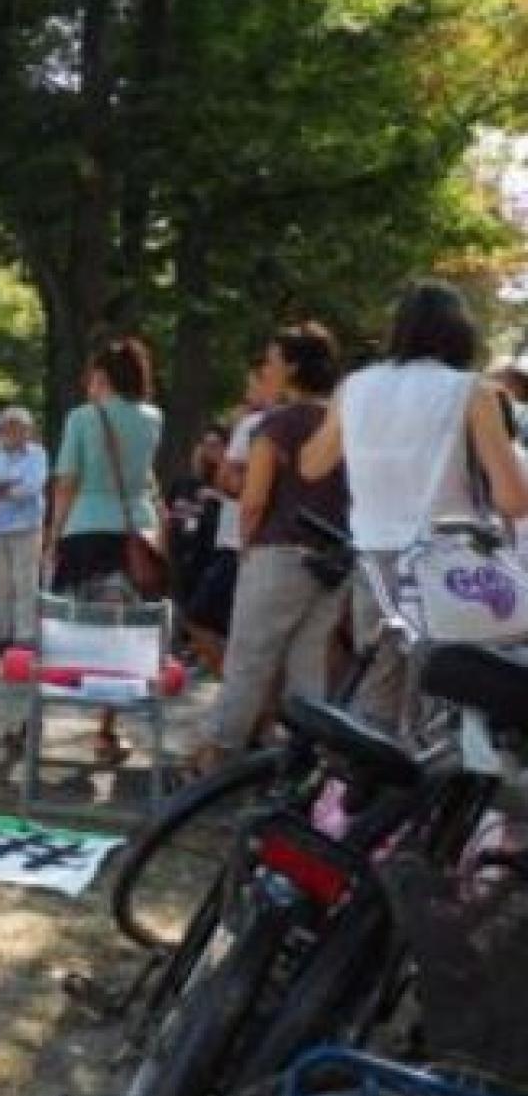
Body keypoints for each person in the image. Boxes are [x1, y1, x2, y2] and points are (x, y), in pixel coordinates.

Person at [302, 280, 528, 729]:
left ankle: (370, 772)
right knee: (447, 691)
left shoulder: (355, 388)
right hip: (447, 563)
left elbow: (312, 465)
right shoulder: (472, 392)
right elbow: (513, 499)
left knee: (379, 691)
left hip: (374, 558)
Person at [192, 324, 350, 775]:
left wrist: (246, 545)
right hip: (333, 558)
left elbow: (254, 499)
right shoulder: (345, 422)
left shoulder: (278, 424)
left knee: (248, 661)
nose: (266, 368)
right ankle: (303, 770)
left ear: (293, 368)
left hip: (279, 552)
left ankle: (215, 761)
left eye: (273, 360)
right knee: (308, 670)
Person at [47, 338, 164, 761]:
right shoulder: (153, 418)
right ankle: (106, 730)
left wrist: (53, 534)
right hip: (136, 533)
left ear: (101, 375)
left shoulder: (82, 417)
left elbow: (66, 482)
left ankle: (37, 717)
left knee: (70, 626)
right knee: (124, 633)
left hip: (86, 528)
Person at [185, 359, 278, 675]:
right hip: (269, 543)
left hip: (239, 540)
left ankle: (234, 681)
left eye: (253, 385)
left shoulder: (253, 425)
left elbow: (225, 479)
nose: (248, 393)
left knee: (198, 617)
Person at [0, 406, 48, 650]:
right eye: (7, 427)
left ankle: (25, 636)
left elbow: (31, 487)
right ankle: (4, 633)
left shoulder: (37, 454)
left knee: (25, 581)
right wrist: (6, 486)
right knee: (0, 583)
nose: (12, 432)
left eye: (18, 428)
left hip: (27, 526)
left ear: (27, 430)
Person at [165, 425, 229, 612]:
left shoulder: (228, 487)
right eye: (205, 445)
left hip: (211, 560)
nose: (209, 452)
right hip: (181, 559)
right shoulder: (183, 483)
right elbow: (168, 515)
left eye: (215, 445)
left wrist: (218, 497)